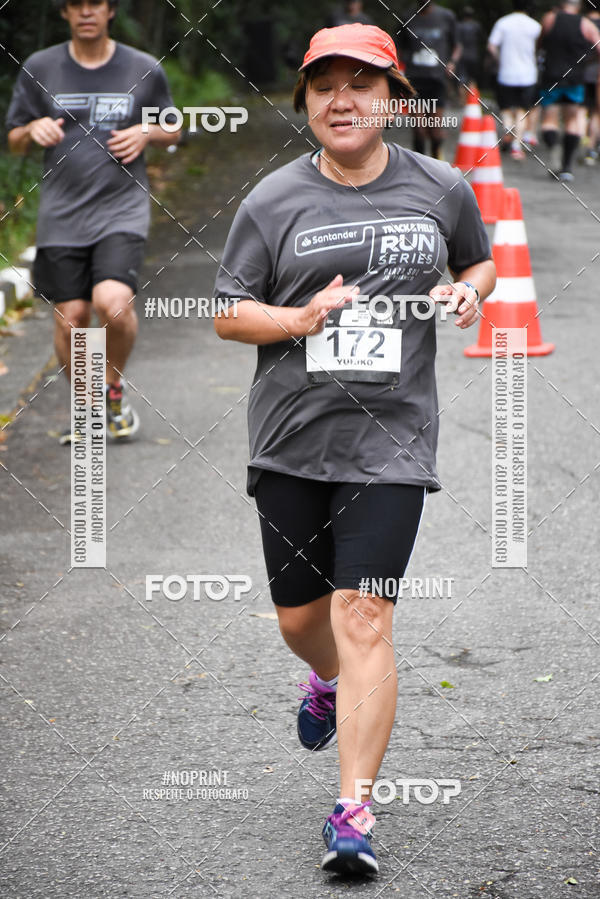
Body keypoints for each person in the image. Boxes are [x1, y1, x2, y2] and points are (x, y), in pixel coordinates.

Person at [213, 22, 495, 877]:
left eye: (361, 84)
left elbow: (478, 266)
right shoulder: (273, 202)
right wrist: (297, 318)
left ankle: (354, 810)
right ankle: (326, 681)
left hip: (392, 445)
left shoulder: (442, 188)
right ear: (305, 99)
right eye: (324, 85)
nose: (343, 100)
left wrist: (463, 293)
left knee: (363, 612)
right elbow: (228, 310)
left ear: (392, 98)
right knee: (304, 618)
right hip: (293, 439)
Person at [6, 0, 180, 443]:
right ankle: (88, 409)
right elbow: (14, 138)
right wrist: (31, 131)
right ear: (65, 12)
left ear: (110, 11)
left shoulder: (141, 67)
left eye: (95, 4)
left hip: (121, 207)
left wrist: (147, 131)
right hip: (62, 214)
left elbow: (174, 127)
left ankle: (112, 391)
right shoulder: (40, 66)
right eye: (76, 4)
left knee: (114, 304)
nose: (86, 12)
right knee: (72, 316)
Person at [539, 0, 600, 181]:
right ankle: (567, 167)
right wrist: (587, 61)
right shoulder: (585, 24)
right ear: (578, 6)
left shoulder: (550, 19)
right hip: (575, 78)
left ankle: (554, 150)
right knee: (572, 120)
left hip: (551, 76)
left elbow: (540, 42)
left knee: (549, 120)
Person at [399, 2, 461, 159]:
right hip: (414, 80)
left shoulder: (446, 16)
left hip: (437, 80)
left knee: (434, 130)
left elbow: (457, 46)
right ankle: (419, 166)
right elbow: (399, 46)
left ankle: (435, 161)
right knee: (419, 129)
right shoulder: (408, 17)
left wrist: (452, 62)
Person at [487, 1, 541, 161]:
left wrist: (499, 60)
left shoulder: (503, 22)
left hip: (506, 74)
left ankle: (509, 131)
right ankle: (517, 146)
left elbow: (491, 46)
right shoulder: (535, 26)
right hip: (528, 75)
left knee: (505, 109)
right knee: (521, 111)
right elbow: (541, 47)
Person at [581, 8, 600, 164]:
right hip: (597, 75)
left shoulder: (581, 23)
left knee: (581, 110)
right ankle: (591, 148)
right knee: (596, 112)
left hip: (581, 74)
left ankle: (581, 144)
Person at [456, 6, 483, 105]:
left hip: (462, 55)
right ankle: (472, 100)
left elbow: (457, 42)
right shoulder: (476, 26)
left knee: (462, 79)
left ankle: (463, 102)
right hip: (473, 55)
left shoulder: (459, 26)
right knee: (472, 79)